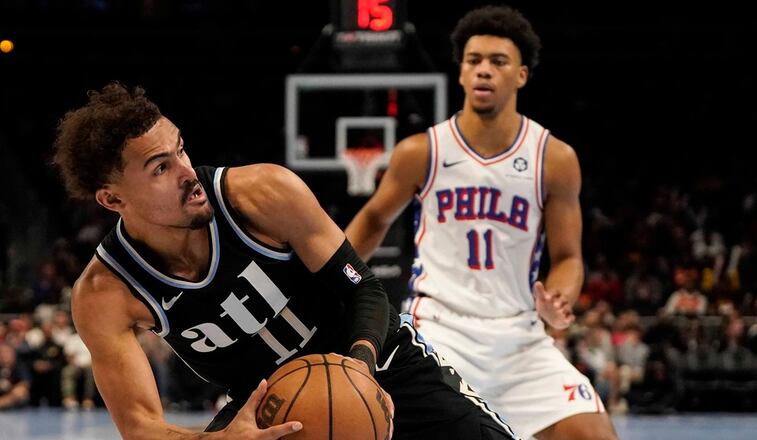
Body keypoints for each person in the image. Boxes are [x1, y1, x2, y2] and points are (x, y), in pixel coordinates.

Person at [52, 82, 520, 440]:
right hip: (269, 404)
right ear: (113, 199)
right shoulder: (104, 294)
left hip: (378, 360)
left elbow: (364, 288)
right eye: (160, 168)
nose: (187, 172)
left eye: (180, 150)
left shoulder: (262, 194)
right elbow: (139, 426)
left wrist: (358, 365)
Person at [345, 6, 619, 439]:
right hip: (439, 332)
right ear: (461, 73)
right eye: (474, 61)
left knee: (593, 435)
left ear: (522, 76)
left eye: (498, 61)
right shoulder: (424, 151)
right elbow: (374, 218)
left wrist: (560, 301)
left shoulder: (555, 159)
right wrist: (333, 278)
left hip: (519, 338)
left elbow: (568, 257)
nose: (483, 71)